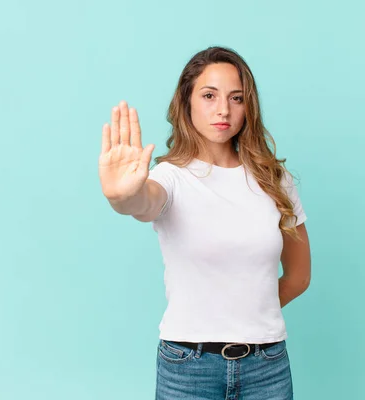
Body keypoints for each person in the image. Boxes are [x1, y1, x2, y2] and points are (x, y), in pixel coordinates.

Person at [98, 46, 311, 400]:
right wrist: (120, 196)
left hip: (267, 367)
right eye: (209, 95)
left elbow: (299, 276)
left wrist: (246, 310)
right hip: (187, 368)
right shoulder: (170, 177)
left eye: (236, 97)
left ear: (249, 107)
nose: (223, 109)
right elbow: (142, 202)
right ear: (188, 103)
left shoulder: (276, 179)